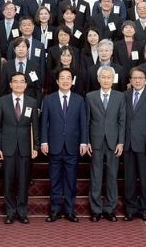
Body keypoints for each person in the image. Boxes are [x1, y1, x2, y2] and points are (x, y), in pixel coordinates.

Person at [41, 68, 88, 222]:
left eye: (68, 78)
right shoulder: (49, 99)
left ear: (72, 81)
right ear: (57, 81)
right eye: (62, 78)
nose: (65, 80)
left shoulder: (79, 100)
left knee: (70, 180)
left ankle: (69, 210)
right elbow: (44, 122)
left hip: (72, 146)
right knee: (54, 179)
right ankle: (54, 210)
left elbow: (83, 123)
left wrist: (83, 141)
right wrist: (44, 141)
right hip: (54, 145)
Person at [0, 72, 40, 224]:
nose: (18, 84)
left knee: (23, 181)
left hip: (25, 148)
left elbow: (35, 127)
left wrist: (36, 146)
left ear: (26, 85)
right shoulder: (2, 101)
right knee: (8, 181)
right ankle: (10, 212)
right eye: (15, 81)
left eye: (21, 82)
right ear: (10, 84)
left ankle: (22, 212)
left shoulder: (32, 102)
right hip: (7, 147)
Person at [86, 66, 126, 222]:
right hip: (95, 141)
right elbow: (86, 121)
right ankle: (96, 209)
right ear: (98, 79)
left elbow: (122, 121)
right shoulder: (90, 96)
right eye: (103, 77)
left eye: (109, 77)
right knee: (95, 176)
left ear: (113, 79)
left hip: (113, 142)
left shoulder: (120, 96)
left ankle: (110, 209)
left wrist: (121, 142)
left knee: (112, 176)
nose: (106, 80)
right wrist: (87, 141)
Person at [122, 67, 146, 222]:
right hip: (128, 144)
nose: (137, 80)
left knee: (145, 179)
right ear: (130, 80)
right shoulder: (124, 95)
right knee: (129, 179)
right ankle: (130, 209)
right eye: (134, 78)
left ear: (145, 80)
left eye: (140, 78)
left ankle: (144, 209)